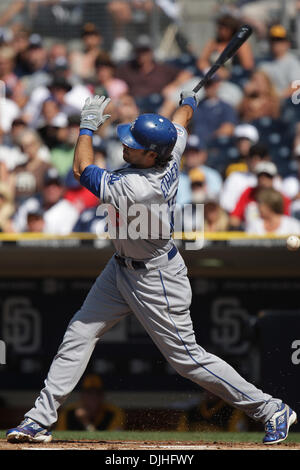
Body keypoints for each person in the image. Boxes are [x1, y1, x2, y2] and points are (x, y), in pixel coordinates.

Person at [7, 91, 296, 445]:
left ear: (151, 154)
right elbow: (182, 120)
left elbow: (82, 168)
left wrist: (85, 128)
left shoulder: (140, 187)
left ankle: (270, 408)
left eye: (133, 145)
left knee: (187, 360)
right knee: (78, 334)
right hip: (120, 270)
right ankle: (39, 419)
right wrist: (189, 100)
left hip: (155, 277)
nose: (125, 147)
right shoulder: (170, 148)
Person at [229, 161, 290, 230]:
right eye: (260, 176)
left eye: (268, 176)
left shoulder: (281, 197)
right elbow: (234, 218)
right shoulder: (248, 193)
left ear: (273, 178)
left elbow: (285, 221)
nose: (263, 180)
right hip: (250, 235)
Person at [56, 374, 125, 431]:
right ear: (82, 395)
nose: (93, 397)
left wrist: (85, 422)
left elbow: (114, 439)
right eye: (89, 393)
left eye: (97, 393)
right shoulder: (68, 412)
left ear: (102, 396)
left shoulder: (113, 412)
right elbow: (59, 436)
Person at [258, 24, 300, 99]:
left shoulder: (293, 63)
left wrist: (278, 98)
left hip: (285, 102)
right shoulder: (263, 63)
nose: (276, 43)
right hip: (265, 101)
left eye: (280, 40)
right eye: (273, 40)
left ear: (287, 43)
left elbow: (296, 86)